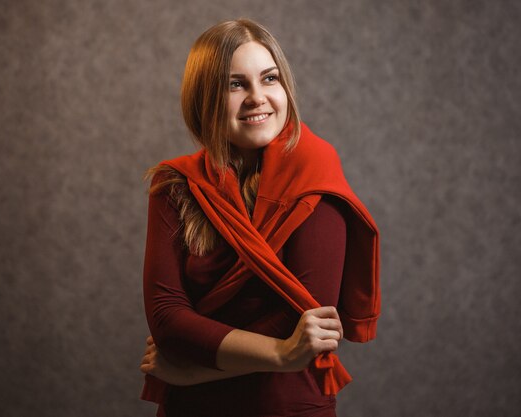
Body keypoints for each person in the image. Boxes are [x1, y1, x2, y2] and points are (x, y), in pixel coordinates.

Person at [140, 19, 380, 417]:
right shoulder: (174, 183)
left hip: (285, 405)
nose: (257, 97)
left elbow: (303, 329)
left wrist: (189, 372)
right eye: (235, 85)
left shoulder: (315, 170)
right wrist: (281, 353)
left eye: (269, 79)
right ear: (204, 98)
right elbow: (167, 319)